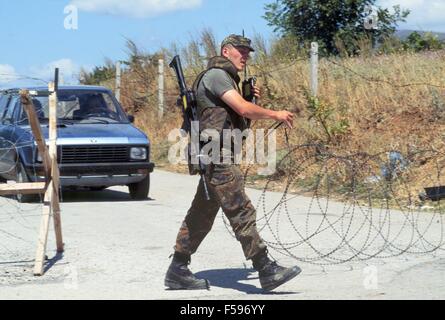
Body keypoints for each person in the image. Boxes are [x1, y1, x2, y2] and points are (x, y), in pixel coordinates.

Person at [165, 34, 301, 291]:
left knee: (201, 215)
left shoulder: (226, 79)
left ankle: (177, 270)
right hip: (217, 158)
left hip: (216, 156)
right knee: (241, 210)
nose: (246, 55)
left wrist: (251, 100)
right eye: (240, 50)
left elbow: (239, 119)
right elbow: (242, 110)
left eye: (248, 51)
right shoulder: (216, 76)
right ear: (225, 51)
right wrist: (275, 114)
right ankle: (265, 268)